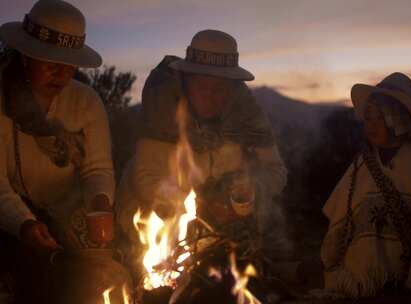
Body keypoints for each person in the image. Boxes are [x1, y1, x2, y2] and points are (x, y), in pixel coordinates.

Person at [0, 0, 123, 302]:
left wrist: (100, 206)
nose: (61, 74)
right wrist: (24, 224)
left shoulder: (86, 102)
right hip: (3, 218)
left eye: (68, 64)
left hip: (64, 211)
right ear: (25, 56)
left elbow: (97, 169)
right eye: (49, 62)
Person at [116, 30, 287, 270]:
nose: (210, 96)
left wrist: (251, 190)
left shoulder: (247, 113)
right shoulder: (162, 105)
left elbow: (275, 170)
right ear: (186, 80)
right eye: (202, 85)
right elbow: (146, 177)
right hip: (152, 223)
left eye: (220, 87)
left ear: (233, 87)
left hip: (219, 232)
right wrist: (197, 210)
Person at [320, 72, 411, 298]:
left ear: (397, 119)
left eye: (379, 117)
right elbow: (338, 221)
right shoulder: (361, 165)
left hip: (403, 285)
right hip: (356, 283)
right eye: (368, 117)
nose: (371, 125)